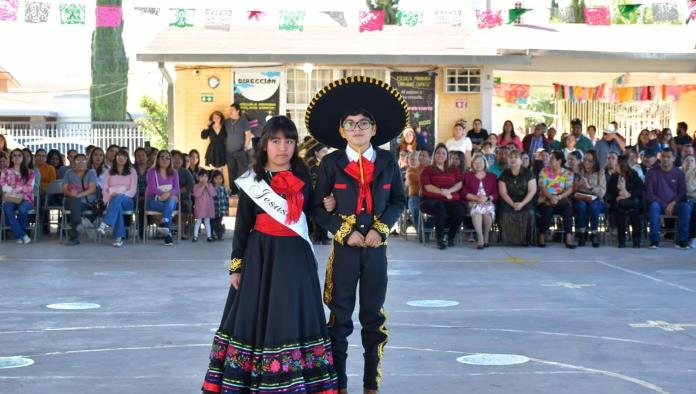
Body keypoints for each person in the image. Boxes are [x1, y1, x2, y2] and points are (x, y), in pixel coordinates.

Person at [202, 116, 339, 393]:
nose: (283, 148)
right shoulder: (253, 181)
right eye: (276, 141)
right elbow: (242, 227)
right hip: (261, 258)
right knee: (258, 319)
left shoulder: (303, 176)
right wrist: (236, 266)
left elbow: (312, 215)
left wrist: (330, 207)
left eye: (289, 141)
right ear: (265, 144)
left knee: (294, 316)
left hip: (296, 258)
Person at [308, 76, 406, 394]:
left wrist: (381, 228)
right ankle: (339, 385)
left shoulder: (389, 162)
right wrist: (342, 230)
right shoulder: (330, 164)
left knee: (373, 318)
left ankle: (370, 385)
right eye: (350, 123)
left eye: (364, 122)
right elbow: (318, 209)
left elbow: (398, 201)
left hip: (376, 251)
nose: (357, 128)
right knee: (339, 319)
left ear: (374, 129)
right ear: (341, 131)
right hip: (345, 251)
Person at [419, 143, 466, 249]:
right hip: (430, 200)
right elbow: (427, 186)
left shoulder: (453, 168)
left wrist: (449, 191)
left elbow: (459, 183)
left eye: (444, 153)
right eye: (438, 153)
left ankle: (450, 237)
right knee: (439, 206)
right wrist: (442, 192)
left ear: (447, 156)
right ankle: (440, 239)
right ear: (434, 155)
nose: (441, 155)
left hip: (449, 198)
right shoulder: (428, 169)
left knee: (460, 210)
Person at [644, 148, 691, 249]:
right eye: (663, 156)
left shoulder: (679, 173)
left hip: (674, 204)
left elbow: (682, 192)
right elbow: (649, 193)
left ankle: (682, 241)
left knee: (685, 207)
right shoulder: (651, 172)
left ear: (674, 159)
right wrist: (665, 205)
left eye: (668, 157)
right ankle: (654, 241)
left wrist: (672, 204)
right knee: (653, 207)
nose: (665, 159)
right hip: (658, 204)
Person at [97, 150, 137, 247]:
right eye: (119, 156)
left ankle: (106, 222)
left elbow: (132, 190)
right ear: (115, 158)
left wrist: (117, 192)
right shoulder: (109, 172)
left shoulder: (132, 171)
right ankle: (119, 238)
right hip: (113, 201)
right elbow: (105, 189)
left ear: (127, 159)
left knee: (118, 198)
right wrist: (110, 195)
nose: (121, 158)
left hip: (128, 200)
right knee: (117, 206)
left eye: (124, 156)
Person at [537, 151, 576, 248]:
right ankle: (541, 235)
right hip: (546, 198)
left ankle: (568, 236)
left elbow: (570, 189)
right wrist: (551, 197)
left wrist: (558, 197)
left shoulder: (567, 173)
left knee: (567, 209)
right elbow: (542, 187)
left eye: (552, 158)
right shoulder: (544, 171)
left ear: (559, 161)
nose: (550, 160)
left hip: (560, 198)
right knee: (548, 209)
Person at [498, 150, 537, 246]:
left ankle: (525, 240)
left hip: (525, 200)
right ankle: (509, 240)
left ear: (520, 160)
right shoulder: (504, 173)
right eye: (511, 157)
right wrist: (512, 204)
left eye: (516, 157)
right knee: (504, 212)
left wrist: (522, 203)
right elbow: (503, 192)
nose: (513, 159)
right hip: (508, 200)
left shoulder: (529, 173)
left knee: (529, 212)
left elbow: (532, 191)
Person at [462, 153, 498, 249]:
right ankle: (480, 237)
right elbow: (464, 192)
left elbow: (495, 193)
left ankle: (486, 236)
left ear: (485, 163)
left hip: (487, 201)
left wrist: (487, 198)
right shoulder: (467, 175)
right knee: (476, 211)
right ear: (472, 164)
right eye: (476, 162)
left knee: (487, 212)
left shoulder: (492, 176)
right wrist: (476, 198)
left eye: (480, 162)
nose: (478, 164)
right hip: (473, 201)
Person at [607, 155, 644, 248]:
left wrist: (628, 194)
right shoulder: (614, 176)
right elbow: (610, 191)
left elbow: (641, 190)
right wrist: (620, 194)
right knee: (620, 211)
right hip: (618, 202)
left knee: (634, 211)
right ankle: (621, 239)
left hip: (632, 201)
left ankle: (636, 239)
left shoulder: (633, 174)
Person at [62, 154, 98, 246]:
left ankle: (74, 237)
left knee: (75, 207)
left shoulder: (91, 173)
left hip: (87, 202)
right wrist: (71, 194)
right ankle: (81, 223)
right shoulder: (69, 173)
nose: (81, 163)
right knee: (74, 202)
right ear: (73, 163)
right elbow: (64, 188)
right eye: (78, 161)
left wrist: (78, 195)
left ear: (87, 162)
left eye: (83, 161)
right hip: (69, 200)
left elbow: (92, 189)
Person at [145, 150, 180, 246]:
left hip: (169, 199)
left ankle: (166, 227)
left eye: (168, 158)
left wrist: (168, 194)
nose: (165, 160)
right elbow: (152, 188)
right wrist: (164, 195)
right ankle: (167, 231)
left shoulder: (174, 172)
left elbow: (176, 188)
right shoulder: (151, 172)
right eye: (162, 157)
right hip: (153, 200)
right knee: (170, 203)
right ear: (158, 159)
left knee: (171, 201)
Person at [0, 148, 35, 244]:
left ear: (23, 158)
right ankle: (22, 235)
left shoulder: (31, 172)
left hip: (25, 198)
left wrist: (14, 188)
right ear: (11, 158)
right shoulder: (5, 171)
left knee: (23, 209)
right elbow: (3, 187)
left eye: (19, 155)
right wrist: (20, 188)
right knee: (7, 209)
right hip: (10, 198)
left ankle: (18, 235)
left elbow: (29, 188)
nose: (16, 157)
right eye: (14, 155)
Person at [573, 150, 606, 247]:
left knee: (594, 207)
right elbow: (572, 189)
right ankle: (582, 233)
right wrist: (578, 185)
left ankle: (594, 233)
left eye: (590, 161)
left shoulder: (600, 172)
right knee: (581, 206)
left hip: (595, 198)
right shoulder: (578, 170)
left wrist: (590, 187)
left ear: (595, 162)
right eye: (585, 159)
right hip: (581, 196)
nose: (586, 162)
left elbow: (602, 192)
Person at [224, 103, 252, 195]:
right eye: (229, 110)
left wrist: (245, 147)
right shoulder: (227, 121)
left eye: (232, 110)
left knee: (242, 171)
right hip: (229, 152)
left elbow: (248, 134)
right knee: (231, 172)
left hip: (240, 151)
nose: (230, 112)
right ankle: (234, 191)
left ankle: (243, 192)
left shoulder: (243, 120)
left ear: (237, 111)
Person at [172, 150, 194, 239]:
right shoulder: (166, 171)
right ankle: (164, 231)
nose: (177, 160)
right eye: (174, 157)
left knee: (185, 206)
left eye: (179, 158)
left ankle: (181, 232)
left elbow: (191, 184)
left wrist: (179, 192)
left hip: (183, 197)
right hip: (167, 196)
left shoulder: (185, 172)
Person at [192, 169, 215, 242]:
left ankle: (209, 236)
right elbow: (196, 194)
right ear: (198, 178)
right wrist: (202, 187)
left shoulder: (210, 185)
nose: (204, 178)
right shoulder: (196, 186)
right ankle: (195, 236)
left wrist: (207, 186)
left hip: (208, 207)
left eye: (206, 176)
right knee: (198, 221)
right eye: (202, 176)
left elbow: (213, 194)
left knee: (207, 221)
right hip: (200, 207)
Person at [405, 151, 423, 232]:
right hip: (414, 196)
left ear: (418, 159)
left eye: (413, 159)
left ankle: (426, 229)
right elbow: (413, 178)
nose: (411, 161)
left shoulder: (424, 168)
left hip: (426, 195)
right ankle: (420, 231)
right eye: (410, 160)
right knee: (415, 209)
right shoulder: (409, 171)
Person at [211, 170, 228, 241]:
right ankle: (215, 234)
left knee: (219, 222)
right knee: (214, 223)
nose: (218, 180)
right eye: (216, 178)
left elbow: (226, 198)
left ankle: (219, 235)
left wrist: (226, 209)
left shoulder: (223, 188)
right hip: (214, 209)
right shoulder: (211, 188)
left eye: (220, 178)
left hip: (221, 209)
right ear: (213, 179)